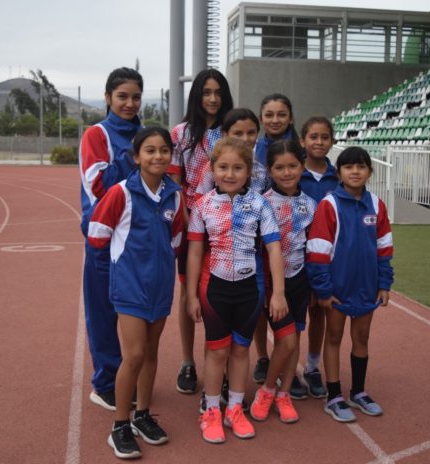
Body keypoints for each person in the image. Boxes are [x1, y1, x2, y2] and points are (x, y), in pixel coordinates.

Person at [88, 127, 184, 459]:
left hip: (160, 288)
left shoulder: (175, 194)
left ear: (172, 155)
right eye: (150, 150)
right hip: (130, 288)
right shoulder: (120, 193)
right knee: (135, 355)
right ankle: (120, 425)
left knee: (152, 351)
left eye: (164, 150)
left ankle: (142, 415)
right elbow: (98, 235)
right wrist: (121, 268)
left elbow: (177, 238)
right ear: (136, 155)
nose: (158, 156)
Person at [186, 137, 288, 443]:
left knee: (241, 350)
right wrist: (190, 295)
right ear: (213, 169)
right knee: (217, 351)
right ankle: (211, 412)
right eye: (223, 167)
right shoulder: (202, 205)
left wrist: (279, 293)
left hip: (250, 289)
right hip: (213, 288)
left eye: (237, 168)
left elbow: (273, 250)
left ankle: (234, 410)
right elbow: (193, 252)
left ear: (248, 172)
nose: (230, 174)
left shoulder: (260, 204)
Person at [305, 146, 394, 423]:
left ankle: (358, 391)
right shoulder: (329, 205)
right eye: (348, 167)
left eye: (361, 166)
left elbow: (384, 248)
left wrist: (384, 283)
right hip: (338, 288)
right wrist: (324, 289)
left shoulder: (377, 205)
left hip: (366, 287)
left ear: (369, 171)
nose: (355, 171)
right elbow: (318, 251)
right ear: (339, 173)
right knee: (333, 337)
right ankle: (334, 395)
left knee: (362, 338)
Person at [79, 67, 143, 411]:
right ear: (107, 98)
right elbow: (99, 188)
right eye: (122, 96)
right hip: (104, 240)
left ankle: (131, 379)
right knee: (103, 314)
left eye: (135, 97)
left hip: (138, 240)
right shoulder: (96, 135)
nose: (129, 103)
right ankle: (105, 383)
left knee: (138, 314)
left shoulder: (147, 134)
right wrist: (133, 152)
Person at [169, 69, 234, 395]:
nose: (212, 98)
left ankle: (218, 363)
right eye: (206, 92)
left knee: (221, 293)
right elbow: (174, 181)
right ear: (197, 95)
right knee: (188, 293)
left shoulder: (230, 132)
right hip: (191, 222)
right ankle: (186, 362)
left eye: (218, 92)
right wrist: (186, 215)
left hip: (225, 223)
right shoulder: (180, 134)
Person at [249, 140, 317, 424]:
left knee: (294, 338)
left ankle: (285, 393)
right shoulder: (261, 202)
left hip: (299, 279)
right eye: (279, 167)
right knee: (286, 341)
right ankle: (266, 390)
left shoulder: (311, 204)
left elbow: (313, 247)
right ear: (270, 170)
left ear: (302, 166)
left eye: (292, 166)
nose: (287, 172)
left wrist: (313, 285)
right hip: (271, 282)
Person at [252, 94, 305, 398]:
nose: (275, 119)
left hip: (292, 242)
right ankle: (263, 357)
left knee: (293, 315)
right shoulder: (256, 148)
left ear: (290, 117)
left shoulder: (298, 149)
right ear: (262, 118)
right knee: (262, 307)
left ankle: (289, 369)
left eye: (281, 114)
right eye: (269, 114)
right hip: (262, 232)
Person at [297, 116, 338, 400]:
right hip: (298, 257)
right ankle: (289, 368)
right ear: (303, 141)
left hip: (328, 259)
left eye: (324, 137)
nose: (319, 142)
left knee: (321, 312)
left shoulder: (339, 177)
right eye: (313, 136)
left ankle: (312, 367)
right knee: (296, 314)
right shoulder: (294, 174)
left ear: (331, 142)